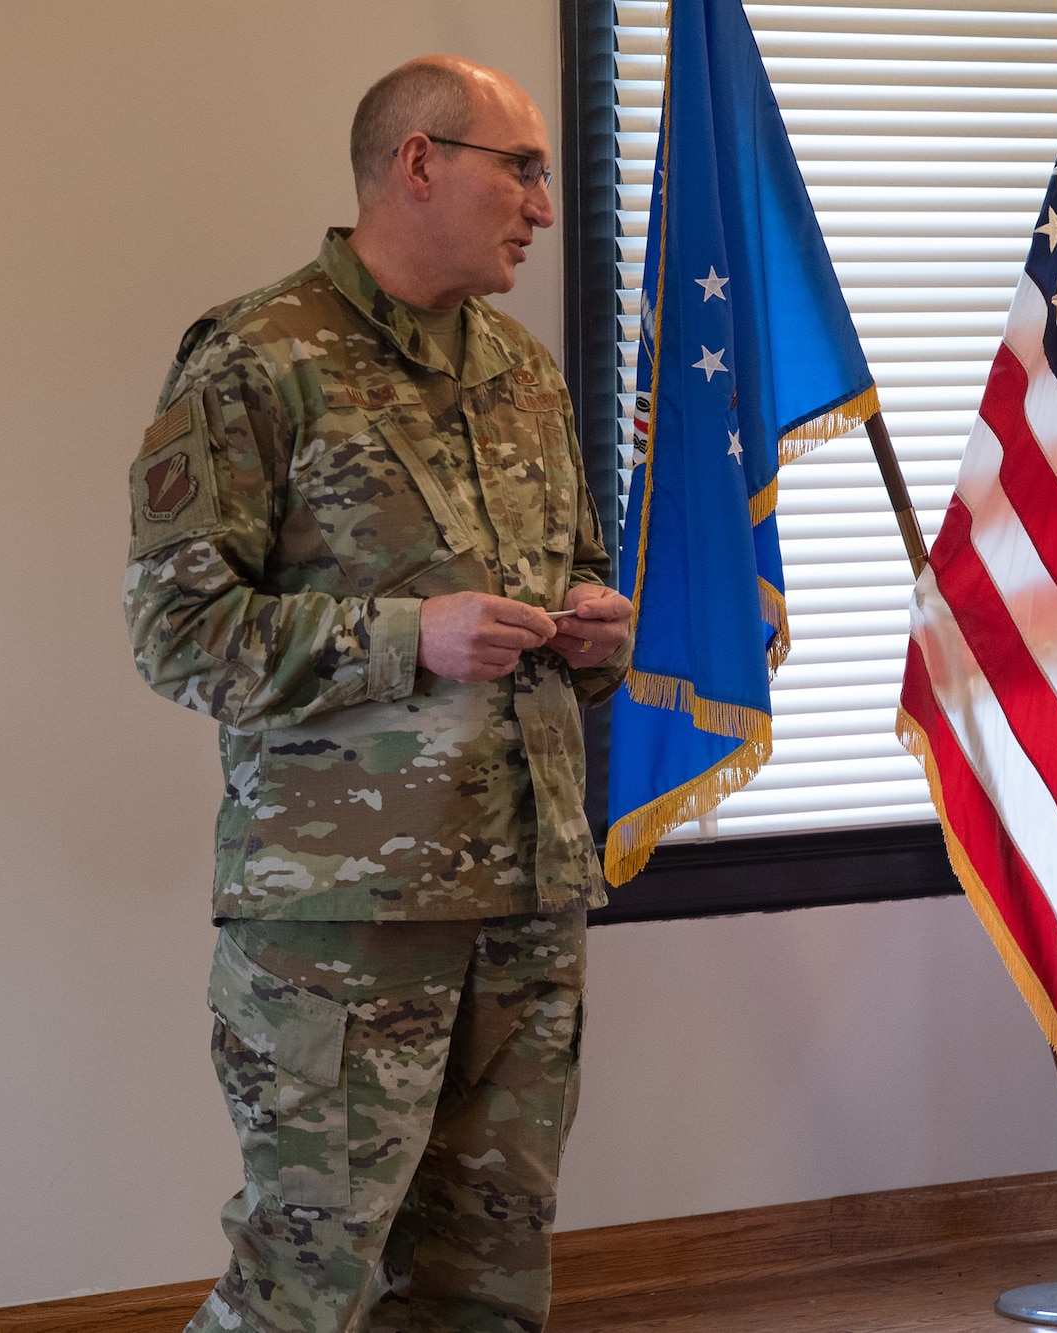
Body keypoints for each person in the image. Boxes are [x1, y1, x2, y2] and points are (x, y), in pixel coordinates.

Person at [123, 55, 631, 1333]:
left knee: (483, 1284)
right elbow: (179, 633)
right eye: (519, 167)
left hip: (522, 902)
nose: (539, 201)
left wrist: (594, 625)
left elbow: (570, 571)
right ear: (419, 164)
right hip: (343, 929)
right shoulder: (255, 361)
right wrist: (410, 635)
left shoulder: (521, 371)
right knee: (304, 1290)